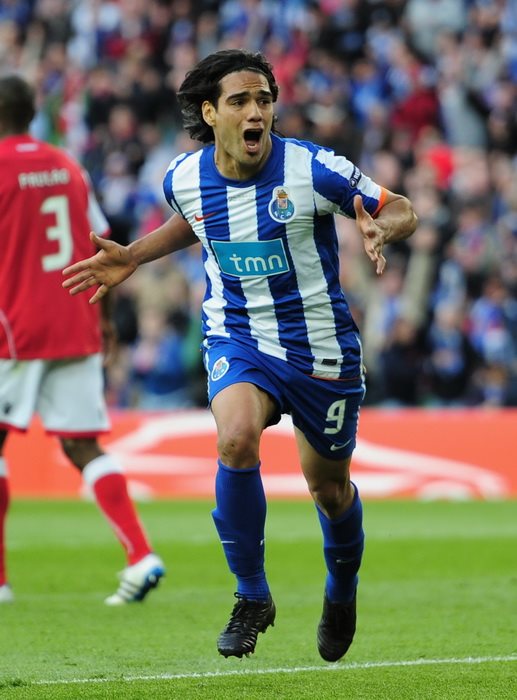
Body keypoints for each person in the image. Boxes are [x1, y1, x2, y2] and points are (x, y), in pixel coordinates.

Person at [63, 50, 418, 660]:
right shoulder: (182, 175)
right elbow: (198, 219)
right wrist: (134, 255)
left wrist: (385, 226)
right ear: (210, 113)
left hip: (319, 348)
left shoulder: (312, 168)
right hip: (238, 335)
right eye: (240, 101)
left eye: (264, 100)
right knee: (235, 440)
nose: (256, 112)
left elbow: (401, 206)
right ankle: (252, 594)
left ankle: (341, 588)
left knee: (330, 491)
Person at [0, 75, 165, 606]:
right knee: (82, 445)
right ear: (33, 114)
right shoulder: (68, 166)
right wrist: (105, 318)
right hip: (76, 319)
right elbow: (103, 246)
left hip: (13, 330)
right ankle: (141, 556)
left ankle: (0, 580)